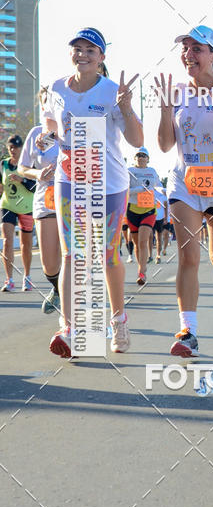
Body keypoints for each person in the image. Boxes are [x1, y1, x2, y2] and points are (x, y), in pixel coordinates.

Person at [38, 27, 142, 356]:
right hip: (70, 181)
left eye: (90, 50)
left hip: (109, 185)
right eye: (77, 49)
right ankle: (69, 328)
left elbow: (137, 140)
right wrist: (47, 138)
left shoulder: (113, 91)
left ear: (101, 59)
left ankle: (118, 320)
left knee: (107, 254)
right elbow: (52, 126)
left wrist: (125, 106)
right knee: (74, 255)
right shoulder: (55, 89)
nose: (82, 54)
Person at [156, 24, 213, 357]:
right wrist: (166, 110)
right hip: (185, 184)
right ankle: (188, 332)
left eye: (197, 48)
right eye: (186, 48)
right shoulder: (176, 92)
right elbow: (166, 145)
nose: (189, 54)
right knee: (188, 256)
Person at [18, 89, 61, 312]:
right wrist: (37, 174)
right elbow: (22, 167)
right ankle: (58, 288)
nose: (48, 107)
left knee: (74, 257)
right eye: (44, 103)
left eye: (52, 102)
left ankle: (75, 313)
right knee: (49, 263)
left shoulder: (73, 130)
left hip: (75, 199)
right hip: (46, 199)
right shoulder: (36, 134)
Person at [0, 135, 35, 292]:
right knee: (7, 241)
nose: (13, 150)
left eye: (17, 147)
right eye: (11, 147)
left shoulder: (29, 164)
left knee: (25, 245)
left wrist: (23, 180)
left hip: (27, 207)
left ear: (22, 148)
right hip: (8, 205)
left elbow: (35, 187)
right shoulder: (3, 164)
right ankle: (9, 279)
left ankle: (26, 277)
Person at [126, 147, 163, 284]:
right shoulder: (129, 171)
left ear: (148, 159)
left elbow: (158, 186)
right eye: (138, 155)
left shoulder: (152, 171)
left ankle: (142, 271)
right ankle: (140, 269)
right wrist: (140, 189)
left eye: (144, 155)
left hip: (148, 210)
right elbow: (126, 190)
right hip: (133, 209)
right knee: (136, 243)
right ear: (134, 158)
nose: (141, 157)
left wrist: (164, 192)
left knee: (143, 240)